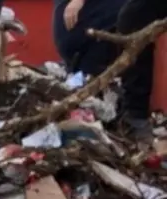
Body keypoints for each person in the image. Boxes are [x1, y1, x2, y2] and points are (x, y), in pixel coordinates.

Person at [53, 0, 167, 131]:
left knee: (136, 12)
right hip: (81, 34)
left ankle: (133, 113)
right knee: (136, 13)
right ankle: (134, 114)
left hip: (88, 44)